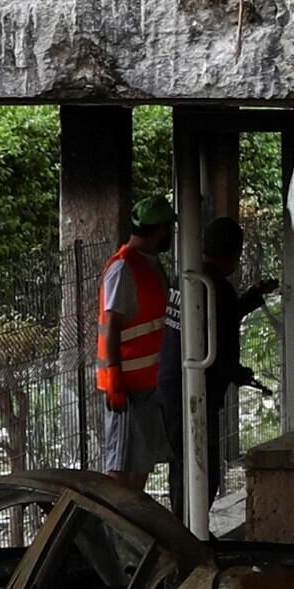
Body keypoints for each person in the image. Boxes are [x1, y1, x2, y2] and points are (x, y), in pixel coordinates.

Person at [93, 199, 178, 486]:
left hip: (147, 383)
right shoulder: (124, 267)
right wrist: (115, 376)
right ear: (161, 229)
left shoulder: (146, 264)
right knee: (121, 469)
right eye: (170, 228)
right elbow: (111, 325)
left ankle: (130, 529)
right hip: (127, 388)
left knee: (139, 464)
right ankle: (113, 530)